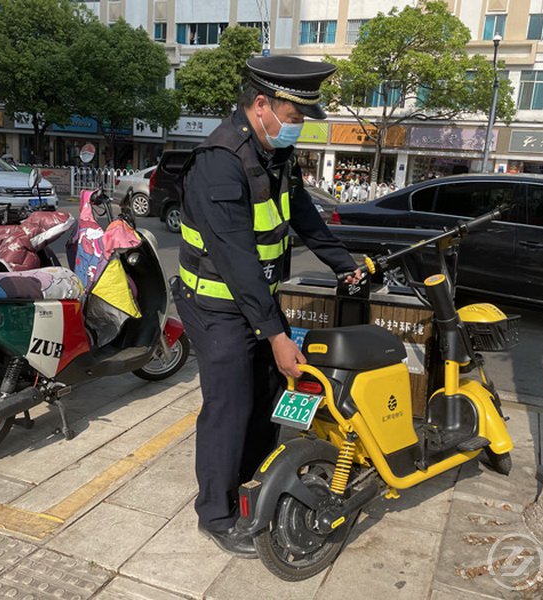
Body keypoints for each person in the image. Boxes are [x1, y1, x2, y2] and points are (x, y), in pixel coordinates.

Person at [173, 55, 362, 558]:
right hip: (214, 308)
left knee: (267, 401)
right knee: (229, 408)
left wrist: (345, 264)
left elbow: (303, 216)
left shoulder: (273, 154)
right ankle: (214, 514)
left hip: (256, 304)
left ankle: (250, 490)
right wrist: (276, 334)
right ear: (262, 106)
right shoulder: (219, 162)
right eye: (295, 116)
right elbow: (235, 260)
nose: (298, 127)